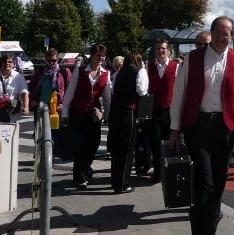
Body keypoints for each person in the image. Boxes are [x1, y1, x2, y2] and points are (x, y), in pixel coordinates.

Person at [169, 15, 234, 234]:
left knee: (218, 183)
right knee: (204, 182)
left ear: (231, 36)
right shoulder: (194, 58)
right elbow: (180, 94)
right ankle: (202, 229)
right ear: (211, 33)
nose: (220, 37)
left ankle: (206, 221)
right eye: (216, 31)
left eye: (225, 33)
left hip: (224, 128)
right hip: (198, 126)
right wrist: (174, 129)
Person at [62, 44, 112, 190]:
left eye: (103, 55)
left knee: (94, 143)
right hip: (77, 112)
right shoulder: (80, 70)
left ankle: (86, 168)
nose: (101, 58)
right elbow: (70, 91)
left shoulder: (106, 73)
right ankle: (79, 177)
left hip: (93, 114)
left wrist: (106, 115)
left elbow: (107, 97)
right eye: (98, 55)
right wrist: (64, 112)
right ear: (92, 56)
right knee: (79, 145)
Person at [109, 52, 148, 193]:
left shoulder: (119, 73)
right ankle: (123, 184)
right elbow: (142, 91)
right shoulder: (140, 71)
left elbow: (113, 90)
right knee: (127, 149)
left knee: (116, 149)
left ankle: (115, 181)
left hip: (115, 112)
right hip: (128, 111)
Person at [147, 38, 179, 183]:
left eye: (163, 48)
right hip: (154, 111)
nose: (160, 51)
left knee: (170, 143)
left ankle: (171, 172)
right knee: (155, 143)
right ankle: (158, 173)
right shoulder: (148, 66)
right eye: (158, 48)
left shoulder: (176, 66)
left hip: (170, 111)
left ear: (168, 50)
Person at [28, 48, 72, 115]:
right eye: (49, 60)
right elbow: (31, 87)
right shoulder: (40, 72)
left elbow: (70, 90)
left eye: (54, 60)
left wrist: (64, 104)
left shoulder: (64, 72)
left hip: (57, 108)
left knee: (55, 125)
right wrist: (32, 100)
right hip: (40, 107)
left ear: (58, 60)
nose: (51, 63)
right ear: (46, 60)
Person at [0, 55, 29, 123]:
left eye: (9, 61)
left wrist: (26, 107)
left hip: (11, 111)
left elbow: (24, 93)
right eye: (4, 61)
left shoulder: (18, 77)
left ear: (13, 64)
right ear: (1, 63)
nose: (7, 63)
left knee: (8, 132)